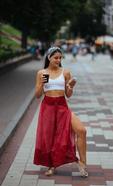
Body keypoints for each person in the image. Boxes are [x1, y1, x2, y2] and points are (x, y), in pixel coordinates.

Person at [33, 46, 88, 177]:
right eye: (55, 58)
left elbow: (68, 95)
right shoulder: (42, 73)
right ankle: (51, 166)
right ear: (49, 58)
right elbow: (38, 95)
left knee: (81, 130)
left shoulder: (65, 72)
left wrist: (70, 87)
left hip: (62, 106)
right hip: (48, 107)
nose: (58, 60)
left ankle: (82, 163)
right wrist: (41, 83)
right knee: (50, 137)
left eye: (60, 58)